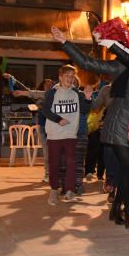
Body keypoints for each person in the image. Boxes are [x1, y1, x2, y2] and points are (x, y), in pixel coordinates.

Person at [52, 23, 129, 228]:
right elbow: (89, 63)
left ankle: (115, 209)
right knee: (127, 166)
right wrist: (66, 43)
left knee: (128, 170)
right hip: (121, 124)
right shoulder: (122, 65)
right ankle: (128, 211)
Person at [40, 64, 92, 205]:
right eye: (67, 76)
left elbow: (85, 110)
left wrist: (87, 98)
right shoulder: (52, 92)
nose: (70, 79)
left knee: (71, 163)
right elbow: (45, 110)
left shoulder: (77, 93)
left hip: (70, 134)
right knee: (55, 163)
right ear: (60, 77)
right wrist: (58, 119)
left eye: (72, 76)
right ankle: (53, 191)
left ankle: (70, 190)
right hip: (54, 134)